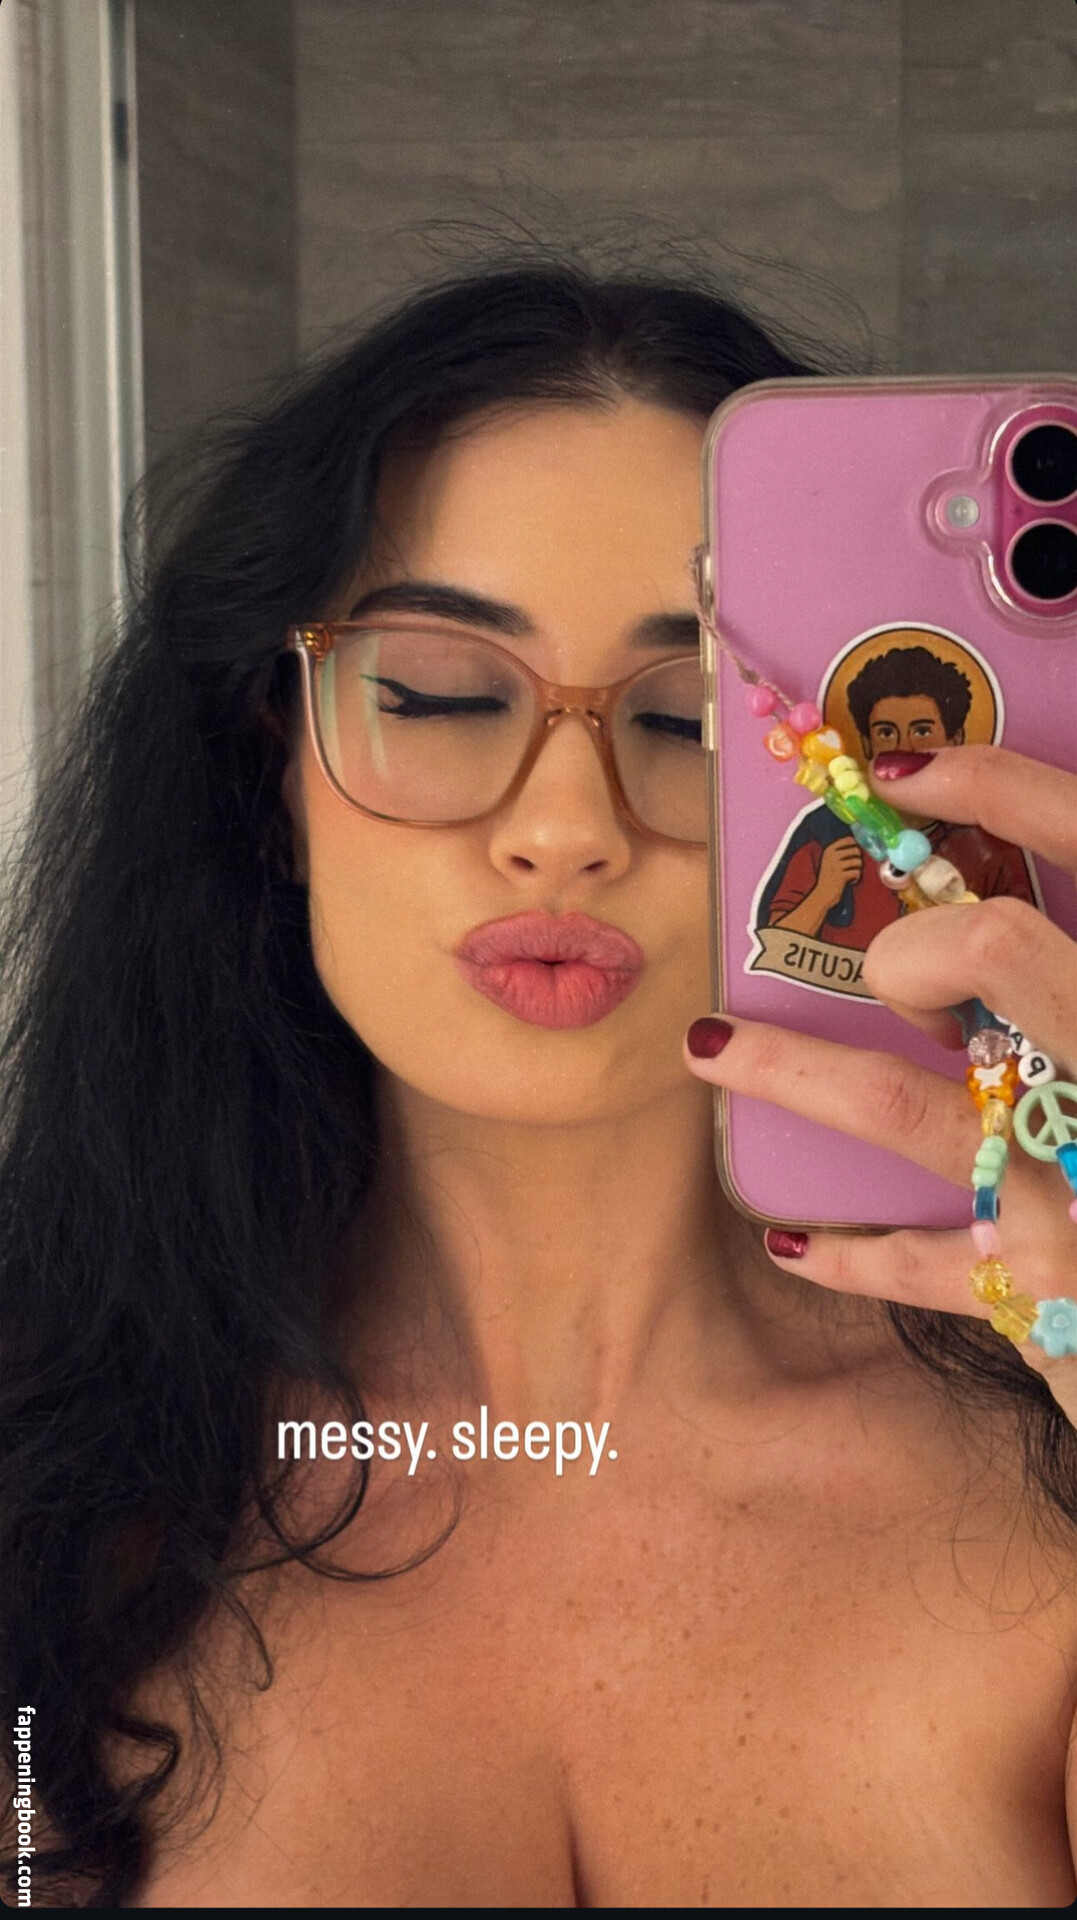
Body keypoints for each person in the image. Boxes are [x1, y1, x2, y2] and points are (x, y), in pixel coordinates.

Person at [2, 264, 1077, 1910]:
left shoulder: (1052, 1476)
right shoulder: (40, 1491)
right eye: (436, 693)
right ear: (273, 771)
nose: (563, 827)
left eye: (692, 718)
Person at [762, 642, 1037, 950]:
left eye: (922, 731)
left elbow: (1026, 944)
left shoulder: (989, 841)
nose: (904, 745)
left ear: (956, 738)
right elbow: (774, 944)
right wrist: (823, 893)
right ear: (867, 743)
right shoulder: (824, 832)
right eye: (886, 732)